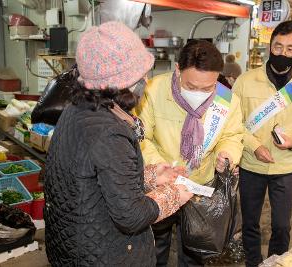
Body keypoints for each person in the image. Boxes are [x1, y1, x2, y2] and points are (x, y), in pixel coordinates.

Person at [44, 21, 193, 267]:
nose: (146, 78)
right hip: (103, 254)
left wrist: (151, 176)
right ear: (122, 82)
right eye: (141, 73)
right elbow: (131, 216)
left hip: (74, 243)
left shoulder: (79, 109)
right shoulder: (109, 131)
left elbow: (96, 176)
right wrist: (172, 195)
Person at [137, 40, 245, 266]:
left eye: (208, 88)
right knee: (155, 247)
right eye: (191, 86)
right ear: (177, 69)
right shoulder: (153, 90)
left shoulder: (226, 99)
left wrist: (228, 153)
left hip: (199, 185)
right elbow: (140, 137)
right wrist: (160, 168)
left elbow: (233, 134)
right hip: (161, 185)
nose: (199, 93)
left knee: (195, 251)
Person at [233, 21, 292, 267]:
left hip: (285, 167)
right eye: (278, 46)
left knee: (281, 226)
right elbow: (233, 123)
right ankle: (253, 262)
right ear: (269, 46)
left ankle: (276, 263)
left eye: (291, 49)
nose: (283, 53)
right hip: (251, 165)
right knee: (250, 222)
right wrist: (254, 146)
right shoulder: (245, 81)